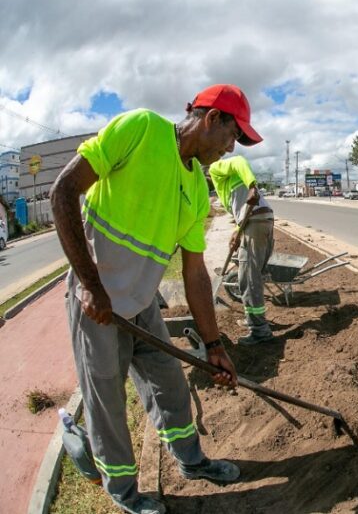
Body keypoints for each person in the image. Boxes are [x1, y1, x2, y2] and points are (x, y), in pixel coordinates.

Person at [50, 84, 262, 514]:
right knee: (106, 401)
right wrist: (92, 285)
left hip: (142, 305)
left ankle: (192, 461)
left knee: (169, 382)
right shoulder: (141, 129)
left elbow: (195, 274)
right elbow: (62, 192)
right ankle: (125, 492)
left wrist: (215, 345)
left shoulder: (197, 191)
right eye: (233, 136)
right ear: (213, 119)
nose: (231, 148)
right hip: (97, 304)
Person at [209, 155, 275, 344]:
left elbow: (239, 160)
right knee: (253, 277)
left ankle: (260, 331)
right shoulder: (225, 184)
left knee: (248, 280)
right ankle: (253, 320)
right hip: (263, 219)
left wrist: (253, 186)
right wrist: (237, 232)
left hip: (255, 222)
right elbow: (242, 212)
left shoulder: (215, 168)